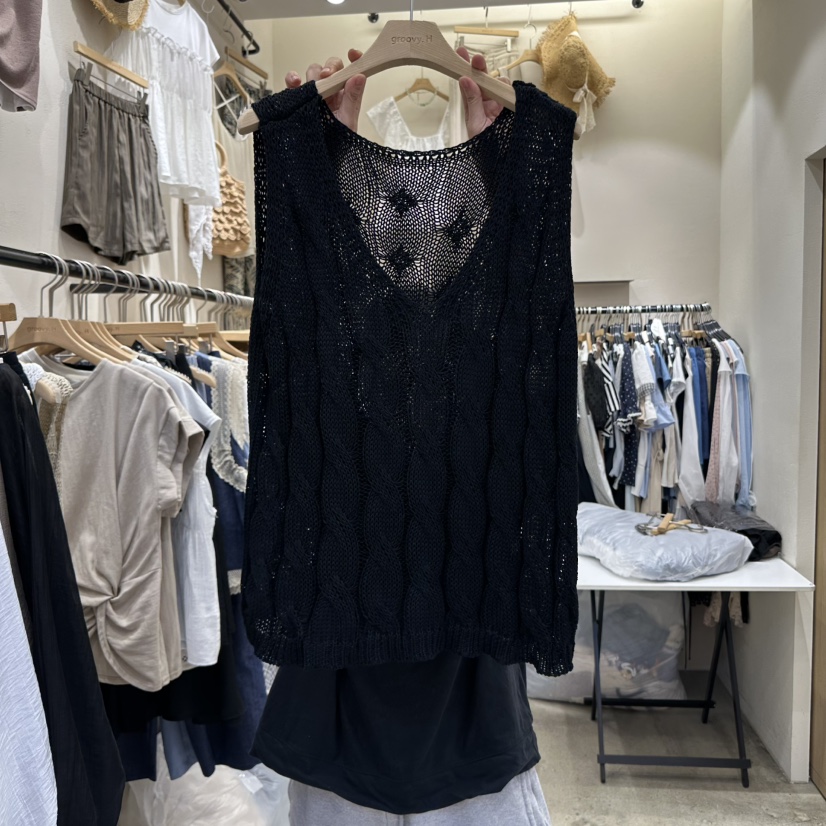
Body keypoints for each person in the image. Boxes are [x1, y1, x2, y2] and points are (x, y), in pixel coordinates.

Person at [251, 49, 554, 826]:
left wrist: (498, 176)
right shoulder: (325, 333)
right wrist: (311, 169)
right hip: (334, 722)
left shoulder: (494, 331)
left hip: (473, 719)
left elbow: (500, 338)